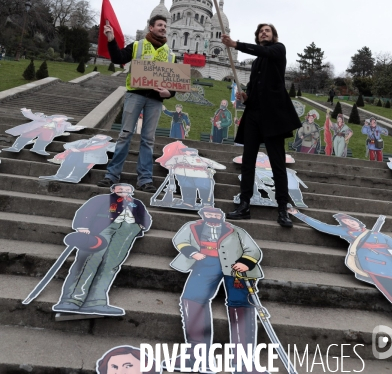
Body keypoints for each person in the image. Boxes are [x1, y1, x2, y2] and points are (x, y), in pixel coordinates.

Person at [222, 23, 301, 227]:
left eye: (267, 30)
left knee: (277, 164)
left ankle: (282, 208)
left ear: (274, 36)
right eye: (260, 31)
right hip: (254, 116)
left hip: (273, 117)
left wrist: (235, 44)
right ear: (257, 36)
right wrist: (246, 97)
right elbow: (256, 91)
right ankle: (244, 204)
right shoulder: (256, 63)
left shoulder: (278, 50)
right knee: (248, 161)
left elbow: (262, 50)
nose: (263, 33)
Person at [170, 207, 263, 372]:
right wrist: (192, 253)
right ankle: (196, 355)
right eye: (209, 214)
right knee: (192, 298)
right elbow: (181, 240)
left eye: (216, 214)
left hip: (235, 268)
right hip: (205, 264)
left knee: (241, 303)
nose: (213, 217)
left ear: (222, 216)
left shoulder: (236, 230)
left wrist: (245, 262)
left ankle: (243, 362)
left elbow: (252, 249)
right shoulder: (192, 226)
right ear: (203, 215)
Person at [97, 15, 176, 191]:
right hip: (135, 95)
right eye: (160, 25)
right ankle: (112, 175)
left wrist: (168, 93)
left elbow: (174, 83)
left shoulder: (170, 54)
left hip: (155, 100)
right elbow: (118, 58)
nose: (163, 28)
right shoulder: (137, 45)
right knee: (125, 135)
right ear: (151, 27)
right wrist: (111, 40)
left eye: (165, 25)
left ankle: (145, 180)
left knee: (148, 140)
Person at [53, 183, 151, 316]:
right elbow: (87, 211)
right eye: (120, 189)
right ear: (113, 189)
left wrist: (140, 226)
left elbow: (145, 217)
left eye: (127, 189)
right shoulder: (102, 199)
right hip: (103, 227)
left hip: (127, 230)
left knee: (111, 264)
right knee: (91, 259)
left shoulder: (137, 203)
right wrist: (83, 226)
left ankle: (96, 301)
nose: (124, 191)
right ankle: (71, 299)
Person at [288, 208, 392, 312]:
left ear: (357, 221)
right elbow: (322, 226)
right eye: (346, 222)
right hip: (374, 264)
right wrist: (298, 214)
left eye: (352, 221)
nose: (350, 223)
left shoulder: (377, 234)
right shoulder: (346, 232)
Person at [5, 108, 84, 156]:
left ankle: (38, 148)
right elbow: (33, 116)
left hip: (49, 131)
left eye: (64, 119)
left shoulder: (64, 124)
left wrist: (76, 128)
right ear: (55, 117)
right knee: (27, 135)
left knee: (47, 137)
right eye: (62, 118)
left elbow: (69, 128)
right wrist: (27, 112)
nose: (64, 120)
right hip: (37, 128)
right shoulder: (44, 119)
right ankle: (16, 147)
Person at [39, 134, 115, 183]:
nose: (99, 137)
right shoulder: (83, 141)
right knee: (69, 160)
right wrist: (72, 148)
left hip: (91, 157)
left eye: (102, 137)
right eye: (98, 136)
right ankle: (60, 175)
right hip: (75, 155)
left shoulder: (107, 144)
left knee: (82, 163)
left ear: (106, 139)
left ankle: (75, 177)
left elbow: (116, 148)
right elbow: (68, 145)